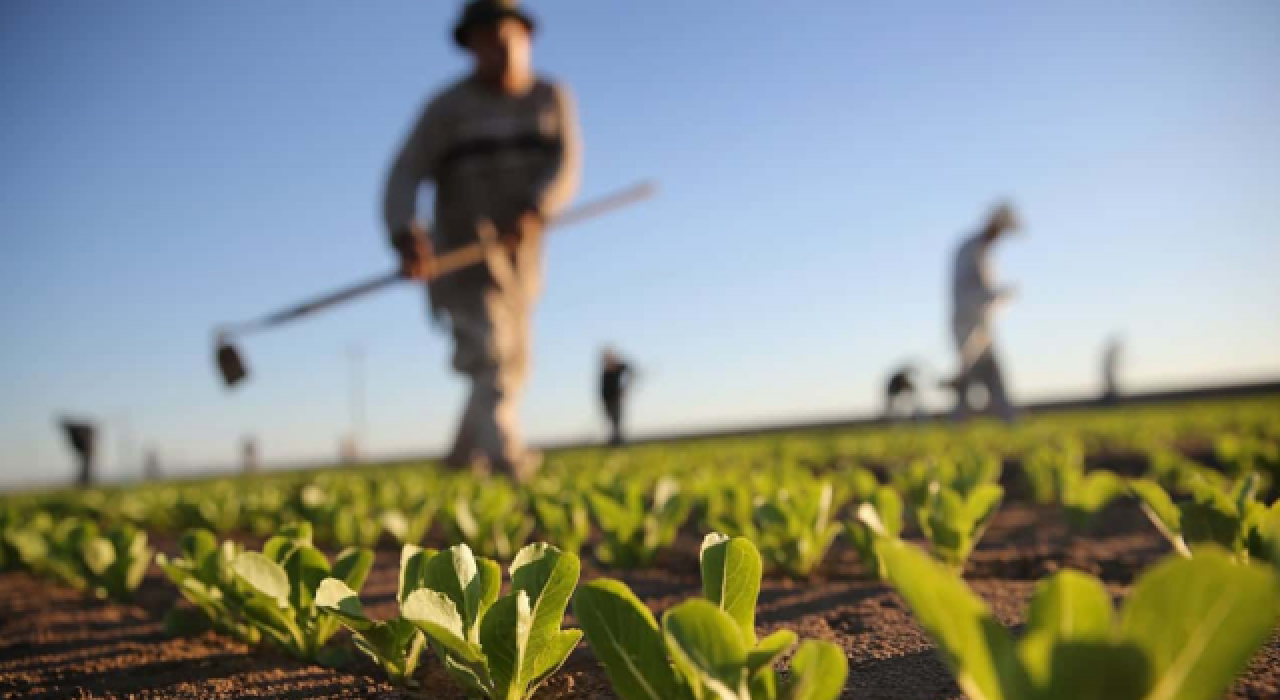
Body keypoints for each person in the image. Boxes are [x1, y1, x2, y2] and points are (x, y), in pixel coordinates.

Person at [383, 0, 581, 482]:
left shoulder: (550, 98)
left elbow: (565, 164)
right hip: (462, 258)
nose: (499, 49)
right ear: (470, 47)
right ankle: (506, 460)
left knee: (512, 362)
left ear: (526, 37)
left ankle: (459, 459)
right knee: (489, 354)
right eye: (486, 40)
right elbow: (404, 173)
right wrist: (405, 233)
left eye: (507, 37)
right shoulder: (446, 110)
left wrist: (537, 207)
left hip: (521, 261)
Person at [948, 202, 1021, 423]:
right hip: (968, 325)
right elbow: (971, 292)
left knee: (988, 374)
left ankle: (1008, 420)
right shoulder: (971, 250)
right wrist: (999, 294)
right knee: (973, 376)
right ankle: (1004, 420)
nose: (1001, 236)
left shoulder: (982, 251)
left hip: (981, 326)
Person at [600, 348, 634, 446]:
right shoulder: (605, 371)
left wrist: (625, 387)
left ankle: (618, 442)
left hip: (616, 400)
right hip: (607, 401)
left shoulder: (619, 367)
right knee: (612, 422)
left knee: (617, 422)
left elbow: (631, 371)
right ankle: (615, 441)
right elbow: (603, 388)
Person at [1102, 335, 1123, 403]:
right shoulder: (1109, 355)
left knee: (1112, 383)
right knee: (1111, 383)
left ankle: (1114, 399)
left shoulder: (1110, 355)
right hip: (1109, 373)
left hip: (1110, 373)